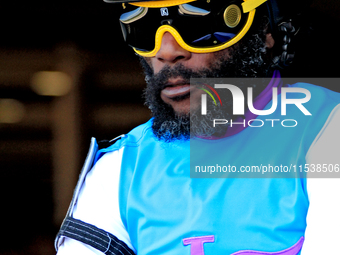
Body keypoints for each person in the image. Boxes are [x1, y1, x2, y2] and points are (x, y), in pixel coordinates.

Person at [55, 0, 340, 254]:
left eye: (198, 23)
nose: (167, 51)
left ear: (266, 30)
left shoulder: (328, 125)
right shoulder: (119, 169)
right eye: (144, 27)